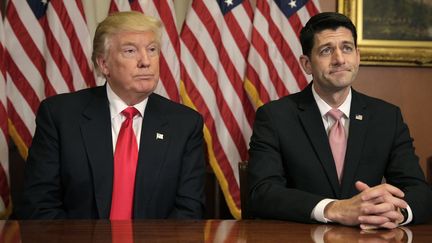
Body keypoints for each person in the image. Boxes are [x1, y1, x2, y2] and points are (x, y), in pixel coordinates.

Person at [247, 12, 432, 229]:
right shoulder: (275, 116)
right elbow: (262, 193)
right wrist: (333, 209)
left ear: (357, 56)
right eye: (326, 50)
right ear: (306, 64)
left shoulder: (387, 117)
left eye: (347, 48)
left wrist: (396, 212)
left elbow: (419, 191)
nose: (340, 59)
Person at [14, 11, 205, 219]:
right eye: (130, 51)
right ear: (104, 64)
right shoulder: (59, 116)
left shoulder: (185, 124)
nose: (146, 61)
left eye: (152, 50)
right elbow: (39, 206)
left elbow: (189, 213)